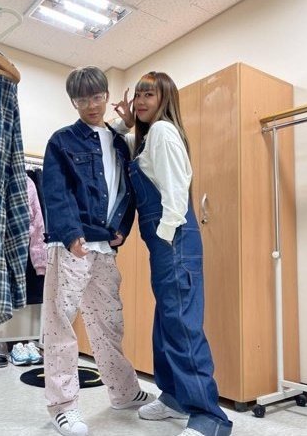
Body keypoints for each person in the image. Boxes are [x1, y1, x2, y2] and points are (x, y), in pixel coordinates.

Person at [113, 72, 233, 436]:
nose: (140, 101)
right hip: (165, 246)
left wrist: (164, 238)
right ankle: (175, 399)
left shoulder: (163, 132)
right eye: (138, 95)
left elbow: (177, 191)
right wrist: (128, 121)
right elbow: (115, 139)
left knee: (181, 326)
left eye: (149, 95)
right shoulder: (147, 137)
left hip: (174, 241)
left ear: (165, 99)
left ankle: (211, 417)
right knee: (166, 323)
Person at [42, 66, 155, 436]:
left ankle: (123, 392)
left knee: (109, 323)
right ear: (73, 102)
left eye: (96, 96)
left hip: (105, 247)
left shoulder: (119, 142)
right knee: (60, 324)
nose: (91, 105)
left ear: (106, 95)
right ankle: (62, 406)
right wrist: (70, 233)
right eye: (82, 99)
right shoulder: (62, 140)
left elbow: (127, 189)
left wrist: (122, 229)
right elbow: (55, 191)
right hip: (72, 245)